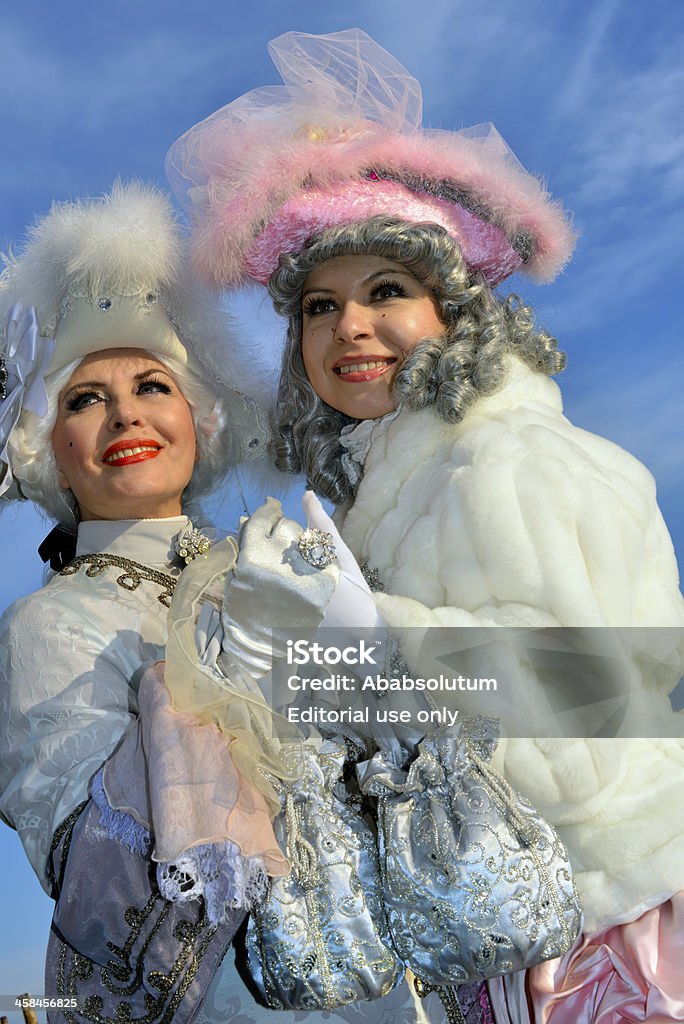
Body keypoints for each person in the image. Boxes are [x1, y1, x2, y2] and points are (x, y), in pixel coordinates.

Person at [166, 29, 684, 1023]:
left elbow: (596, 733)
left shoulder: (508, 463)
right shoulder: (396, 486)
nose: (348, 327)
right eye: (319, 305)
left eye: (387, 291)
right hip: (520, 940)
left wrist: (365, 639)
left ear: (458, 312)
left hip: (611, 945)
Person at [0, 181, 361, 1023]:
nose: (126, 411)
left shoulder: (288, 565)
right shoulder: (49, 627)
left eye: (152, 386)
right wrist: (212, 684)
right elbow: (95, 886)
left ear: (198, 418)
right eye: (85, 400)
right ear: (49, 449)